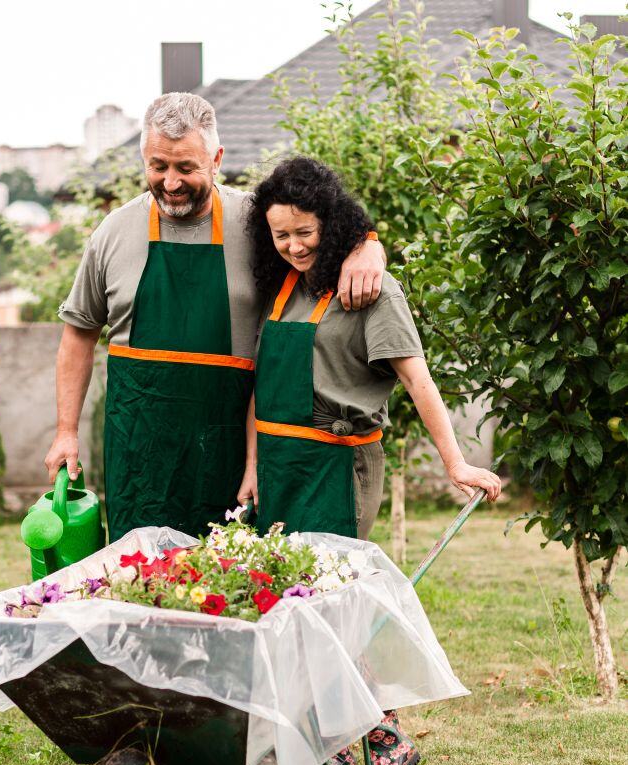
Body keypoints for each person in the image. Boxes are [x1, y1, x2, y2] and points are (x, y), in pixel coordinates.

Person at [239, 156, 502, 765]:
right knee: (288, 605)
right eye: (282, 234)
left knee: (333, 608)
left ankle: (383, 738)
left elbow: (417, 379)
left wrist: (458, 462)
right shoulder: (282, 287)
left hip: (336, 461)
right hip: (278, 464)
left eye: (306, 231)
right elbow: (259, 392)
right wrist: (251, 466)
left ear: (333, 225)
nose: (295, 245)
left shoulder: (371, 290)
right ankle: (324, 736)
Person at [45, 93, 388, 543]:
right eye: (157, 166)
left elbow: (321, 238)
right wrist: (66, 432)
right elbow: (78, 335)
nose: (170, 182)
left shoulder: (257, 223)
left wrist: (368, 246)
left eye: (186, 167)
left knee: (234, 584)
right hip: (141, 453)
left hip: (235, 449)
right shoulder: (113, 232)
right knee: (136, 581)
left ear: (217, 159)